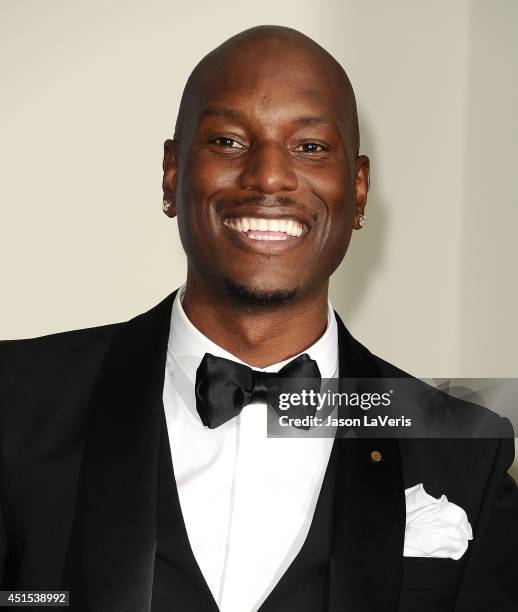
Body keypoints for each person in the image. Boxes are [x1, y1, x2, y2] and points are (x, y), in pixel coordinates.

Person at [0, 25, 517, 612]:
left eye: (311, 147)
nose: (269, 176)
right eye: (227, 141)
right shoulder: (15, 401)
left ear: (359, 188)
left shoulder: (463, 446)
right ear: (172, 174)